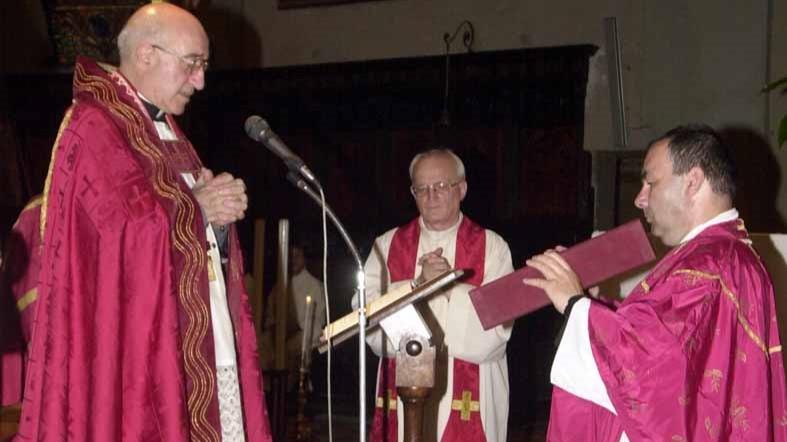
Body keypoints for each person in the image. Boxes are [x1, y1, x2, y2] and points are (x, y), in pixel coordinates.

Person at [11, 3, 271, 441]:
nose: (201, 81)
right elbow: (116, 239)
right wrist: (197, 209)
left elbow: (178, 230)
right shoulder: (95, 126)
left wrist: (219, 222)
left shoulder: (166, 131)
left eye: (203, 66)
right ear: (147, 54)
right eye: (193, 64)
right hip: (136, 354)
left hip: (199, 340)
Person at [524, 124, 787, 441]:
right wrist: (590, 301)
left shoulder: (710, 263)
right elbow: (668, 337)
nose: (640, 198)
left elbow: (655, 372)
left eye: (650, 182)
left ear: (692, 182)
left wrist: (574, 305)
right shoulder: (724, 254)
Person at [356, 149, 514, 442]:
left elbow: (495, 332)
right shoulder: (387, 245)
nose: (431, 196)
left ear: (462, 188)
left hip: (473, 391)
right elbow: (369, 322)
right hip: (403, 390)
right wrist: (418, 285)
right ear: (412, 193)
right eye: (422, 188)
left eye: (441, 186)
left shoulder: (493, 247)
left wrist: (443, 287)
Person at [260, 244, 326, 384]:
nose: (293, 261)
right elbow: (270, 317)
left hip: (302, 336)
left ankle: (291, 390)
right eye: (290, 257)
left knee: (292, 351)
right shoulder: (279, 286)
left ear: (304, 259)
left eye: (297, 256)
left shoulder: (315, 286)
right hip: (278, 337)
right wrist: (274, 329)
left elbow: (317, 323)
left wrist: (293, 328)